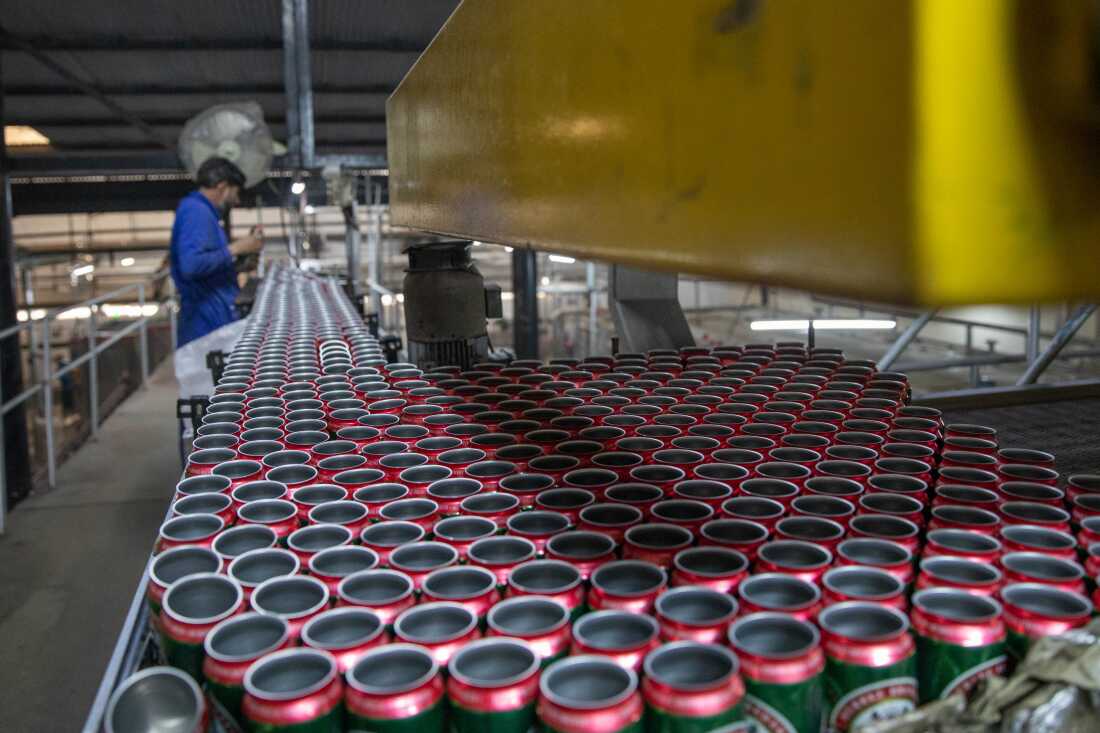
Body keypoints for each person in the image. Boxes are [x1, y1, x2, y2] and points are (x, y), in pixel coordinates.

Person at [170, 157, 263, 346]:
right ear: (222, 186)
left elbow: (206, 267)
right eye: (235, 192)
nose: (236, 200)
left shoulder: (202, 212)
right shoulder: (196, 211)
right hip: (205, 326)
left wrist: (238, 266)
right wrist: (237, 248)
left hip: (213, 320)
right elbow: (191, 265)